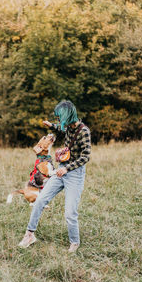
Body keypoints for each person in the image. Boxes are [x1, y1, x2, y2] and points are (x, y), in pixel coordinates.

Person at [18, 100, 91, 252]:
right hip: (61, 170)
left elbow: (85, 157)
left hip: (75, 174)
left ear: (68, 116)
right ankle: (29, 235)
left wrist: (67, 169)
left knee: (70, 213)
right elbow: (62, 130)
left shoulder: (84, 131)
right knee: (40, 201)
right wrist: (51, 126)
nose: (58, 120)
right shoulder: (69, 128)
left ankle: (74, 242)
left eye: (59, 117)